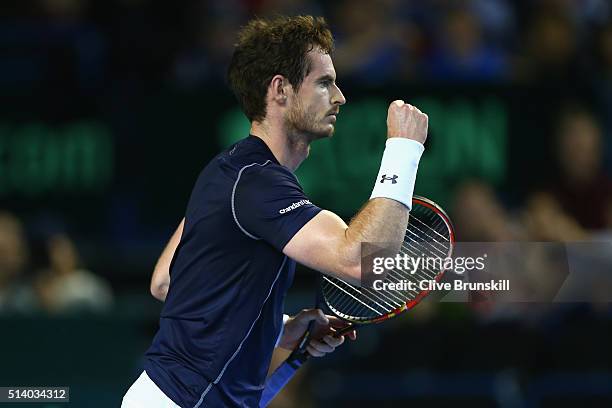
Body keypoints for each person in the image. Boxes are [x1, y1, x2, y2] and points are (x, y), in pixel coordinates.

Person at [122, 15, 428, 408]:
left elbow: (166, 281)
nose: (340, 96)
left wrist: (279, 328)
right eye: (323, 82)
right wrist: (404, 149)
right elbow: (362, 261)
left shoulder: (229, 169)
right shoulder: (257, 184)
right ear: (280, 89)